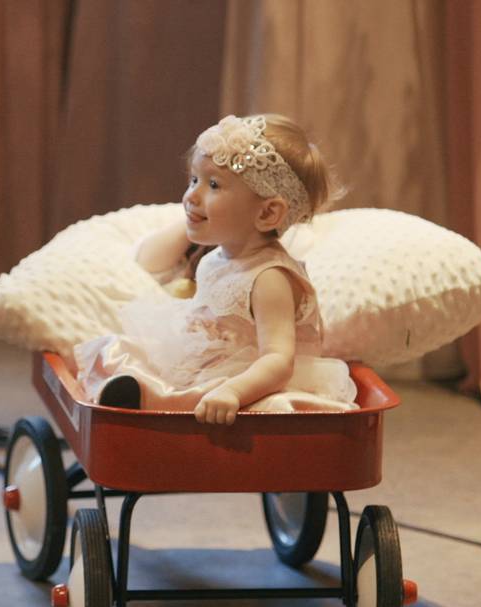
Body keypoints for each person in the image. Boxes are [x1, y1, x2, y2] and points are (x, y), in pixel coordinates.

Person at [74, 114, 358, 424]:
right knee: (118, 349)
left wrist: (234, 391)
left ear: (267, 212)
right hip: (204, 362)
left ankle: (143, 402)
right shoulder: (215, 259)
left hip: (249, 381)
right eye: (194, 179)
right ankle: (130, 393)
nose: (191, 196)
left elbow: (278, 360)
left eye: (213, 185)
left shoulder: (269, 278)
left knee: (240, 402)